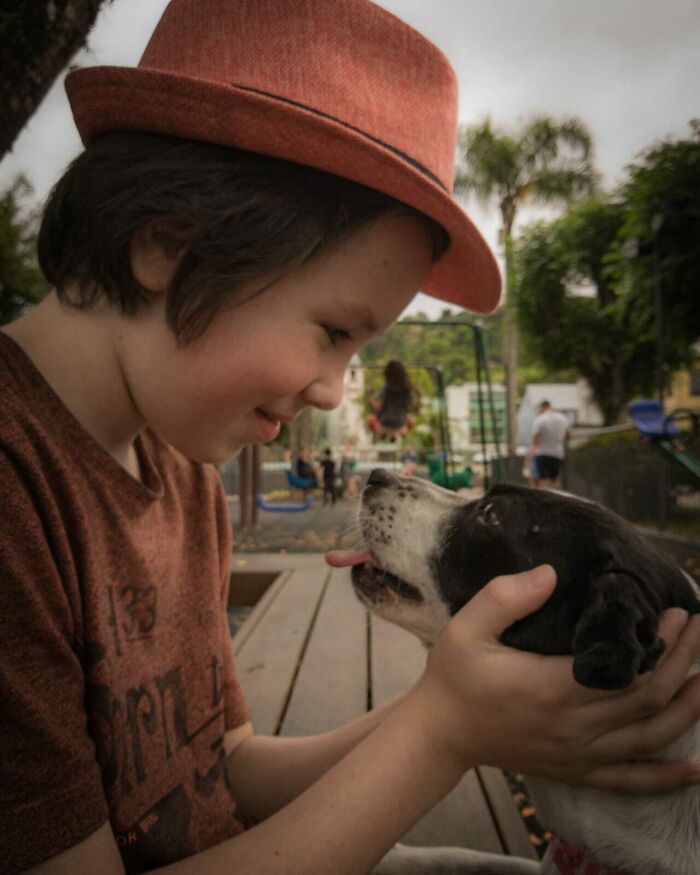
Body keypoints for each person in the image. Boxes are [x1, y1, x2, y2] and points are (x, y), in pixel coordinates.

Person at [2, 2, 700, 873]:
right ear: (168, 247)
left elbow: (222, 771)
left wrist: (472, 714)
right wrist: (442, 735)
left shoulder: (179, 474)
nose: (334, 388)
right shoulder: (17, 493)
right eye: (334, 331)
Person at [367, 359, 420, 441]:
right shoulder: (407, 390)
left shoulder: (385, 389)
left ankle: (384, 433)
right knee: (410, 418)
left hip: (385, 421)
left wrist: (370, 397)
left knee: (371, 418)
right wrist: (419, 395)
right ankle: (400, 433)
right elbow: (415, 408)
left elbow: (377, 407)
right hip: (400, 422)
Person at [526, 400, 571, 489]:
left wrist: (528, 458)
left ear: (542, 407)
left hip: (542, 453)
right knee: (555, 479)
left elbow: (535, 441)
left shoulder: (540, 419)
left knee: (542, 480)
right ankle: (556, 495)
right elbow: (568, 435)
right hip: (557, 453)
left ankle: (543, 496)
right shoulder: (563, 418)